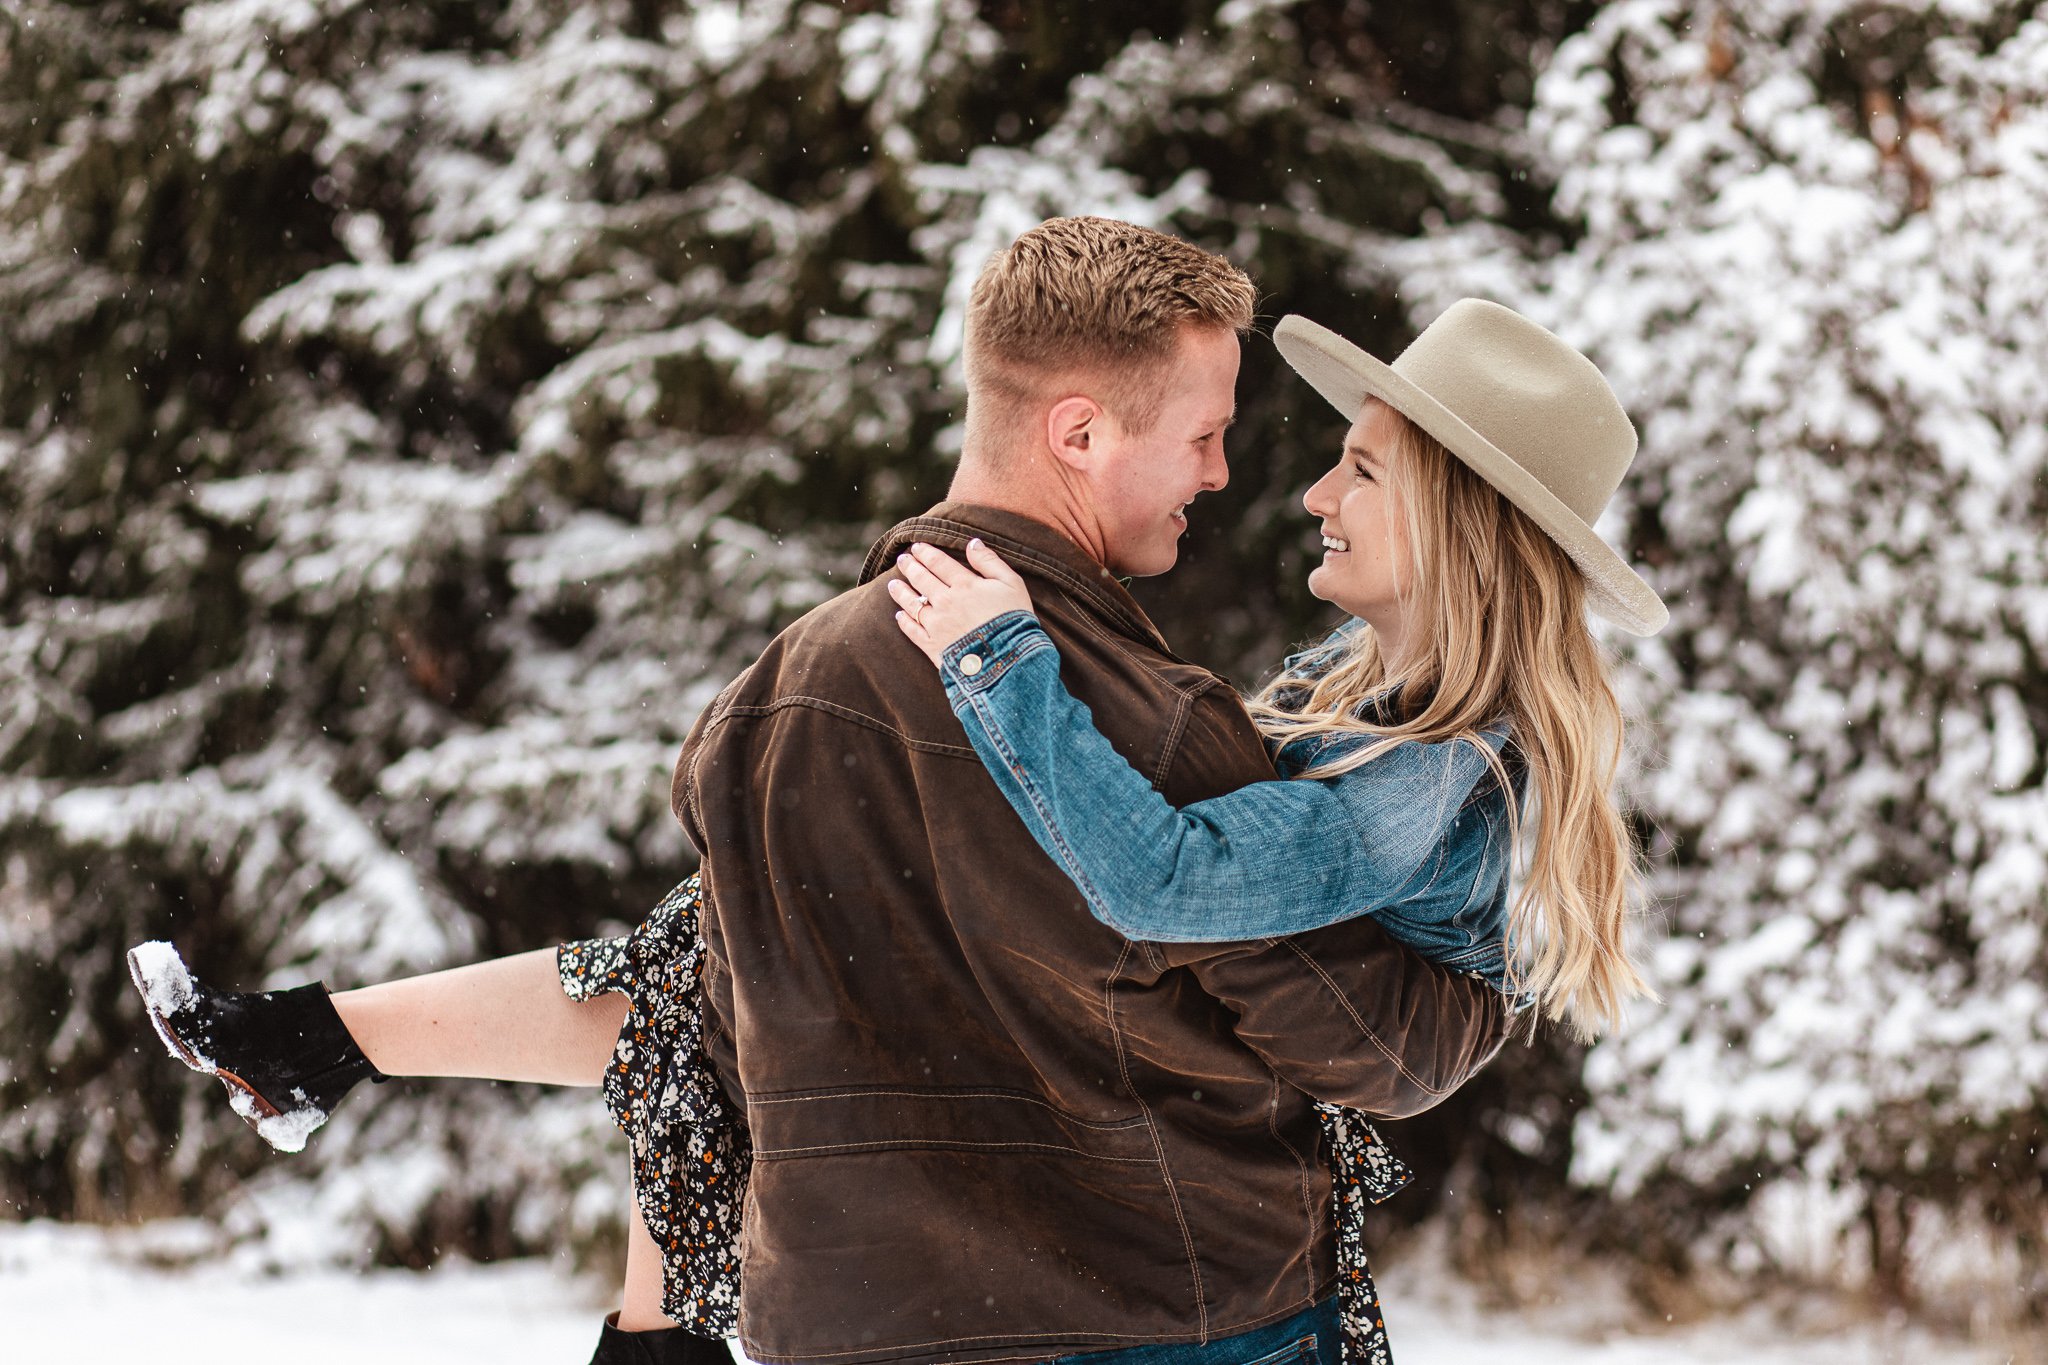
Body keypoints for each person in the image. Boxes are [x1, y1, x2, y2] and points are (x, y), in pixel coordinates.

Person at [129, 219, 1569, 1365]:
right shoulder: (1149, 721)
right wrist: (1461, 1003)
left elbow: (703, 1003)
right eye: (1204, 429)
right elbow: (1371, 1054)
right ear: (1079, 433)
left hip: (859, 1325)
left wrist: (647, 1314)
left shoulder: (788, 685)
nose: (1237, 472)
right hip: (1169, 1315)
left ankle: (307, 1039)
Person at [885, 301, 1664, 1046]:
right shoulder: (1343, 682)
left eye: (1362, 472)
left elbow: (1164, 883)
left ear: (1458, 526)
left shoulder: (1426, 782)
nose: (1317, 496)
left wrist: (998, 660)